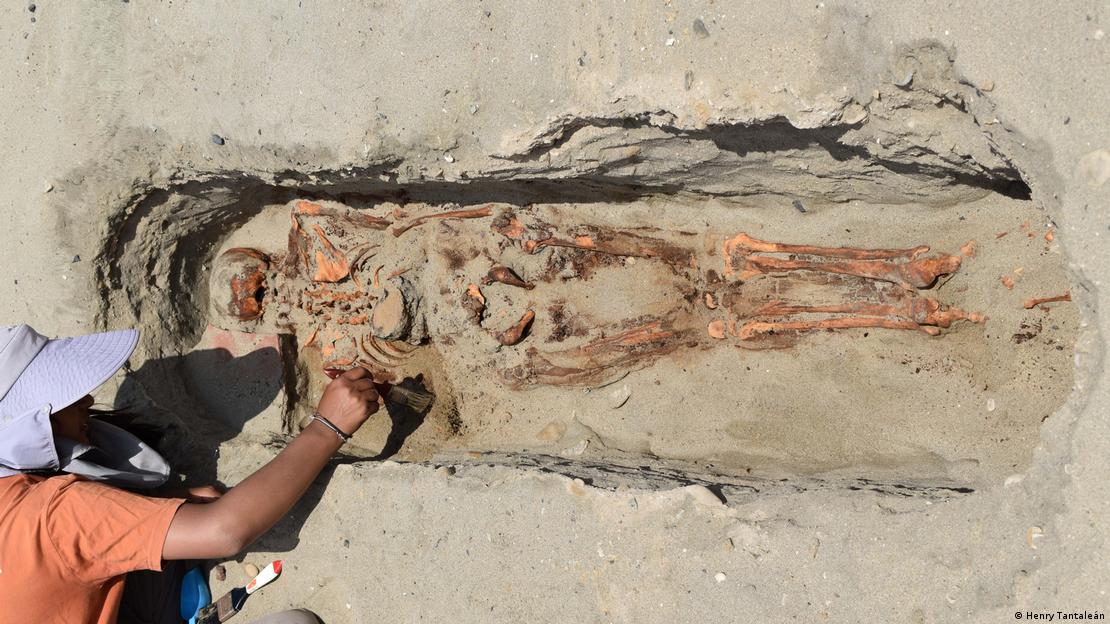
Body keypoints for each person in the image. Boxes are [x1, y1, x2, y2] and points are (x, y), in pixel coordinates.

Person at [0, 324, 381, 623]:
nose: (85, 399)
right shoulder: (55, 515)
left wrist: (157, 510)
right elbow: (224, 531)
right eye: (65, 398)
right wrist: (327, 428)